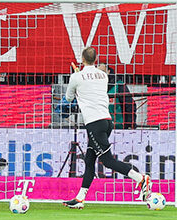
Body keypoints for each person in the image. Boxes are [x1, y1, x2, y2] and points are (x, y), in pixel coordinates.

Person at [63, 48, 150, 208]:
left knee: (108, 161)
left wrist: (74, 81)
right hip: (106, 121)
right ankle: (80, 198)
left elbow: (68, 98)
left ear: (82, 59)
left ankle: (140, 178)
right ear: (95, 60)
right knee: (89, 160)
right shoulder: (103, 75)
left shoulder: (76, 77)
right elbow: (92, 89)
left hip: (94, 123)